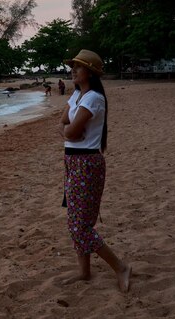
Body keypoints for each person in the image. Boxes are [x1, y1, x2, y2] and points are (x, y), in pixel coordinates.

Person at [58, 49, 131, 293]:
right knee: (75, 221)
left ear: (88, 71)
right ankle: (84, 272)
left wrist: (68, 130)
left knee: (82, 226)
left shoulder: (93, 98)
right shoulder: (78, 95)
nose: (72, 70)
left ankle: (121, 267)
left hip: (86, 163)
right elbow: (63, 123)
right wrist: (67, 130)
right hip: (73, 162)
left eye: (77, 67)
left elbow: (69, 131)